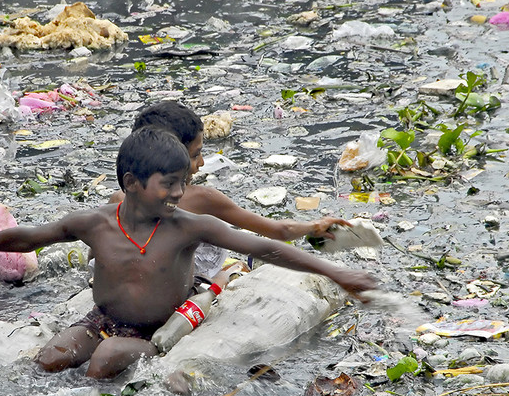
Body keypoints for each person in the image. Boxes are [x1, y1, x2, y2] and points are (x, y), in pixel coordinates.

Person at [0, 127, 377, 380]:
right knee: (50, 359)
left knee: (103, 364)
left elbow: (263, 246)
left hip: (157, 326)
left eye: (183, 182)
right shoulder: (96, 223)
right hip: (100, 321)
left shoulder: (189, 226)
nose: (179, 192)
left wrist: (336, 273)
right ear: (131, 184)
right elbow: (28, 238)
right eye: (169, 184)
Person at [111, 101, 352, 277]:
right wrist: (313, 227)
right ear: (174, 157)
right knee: (243, 265)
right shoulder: (202, 199)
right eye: (196, 155)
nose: (202, 163)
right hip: (199, 283)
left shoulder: (118, 200)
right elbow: (277, 231)